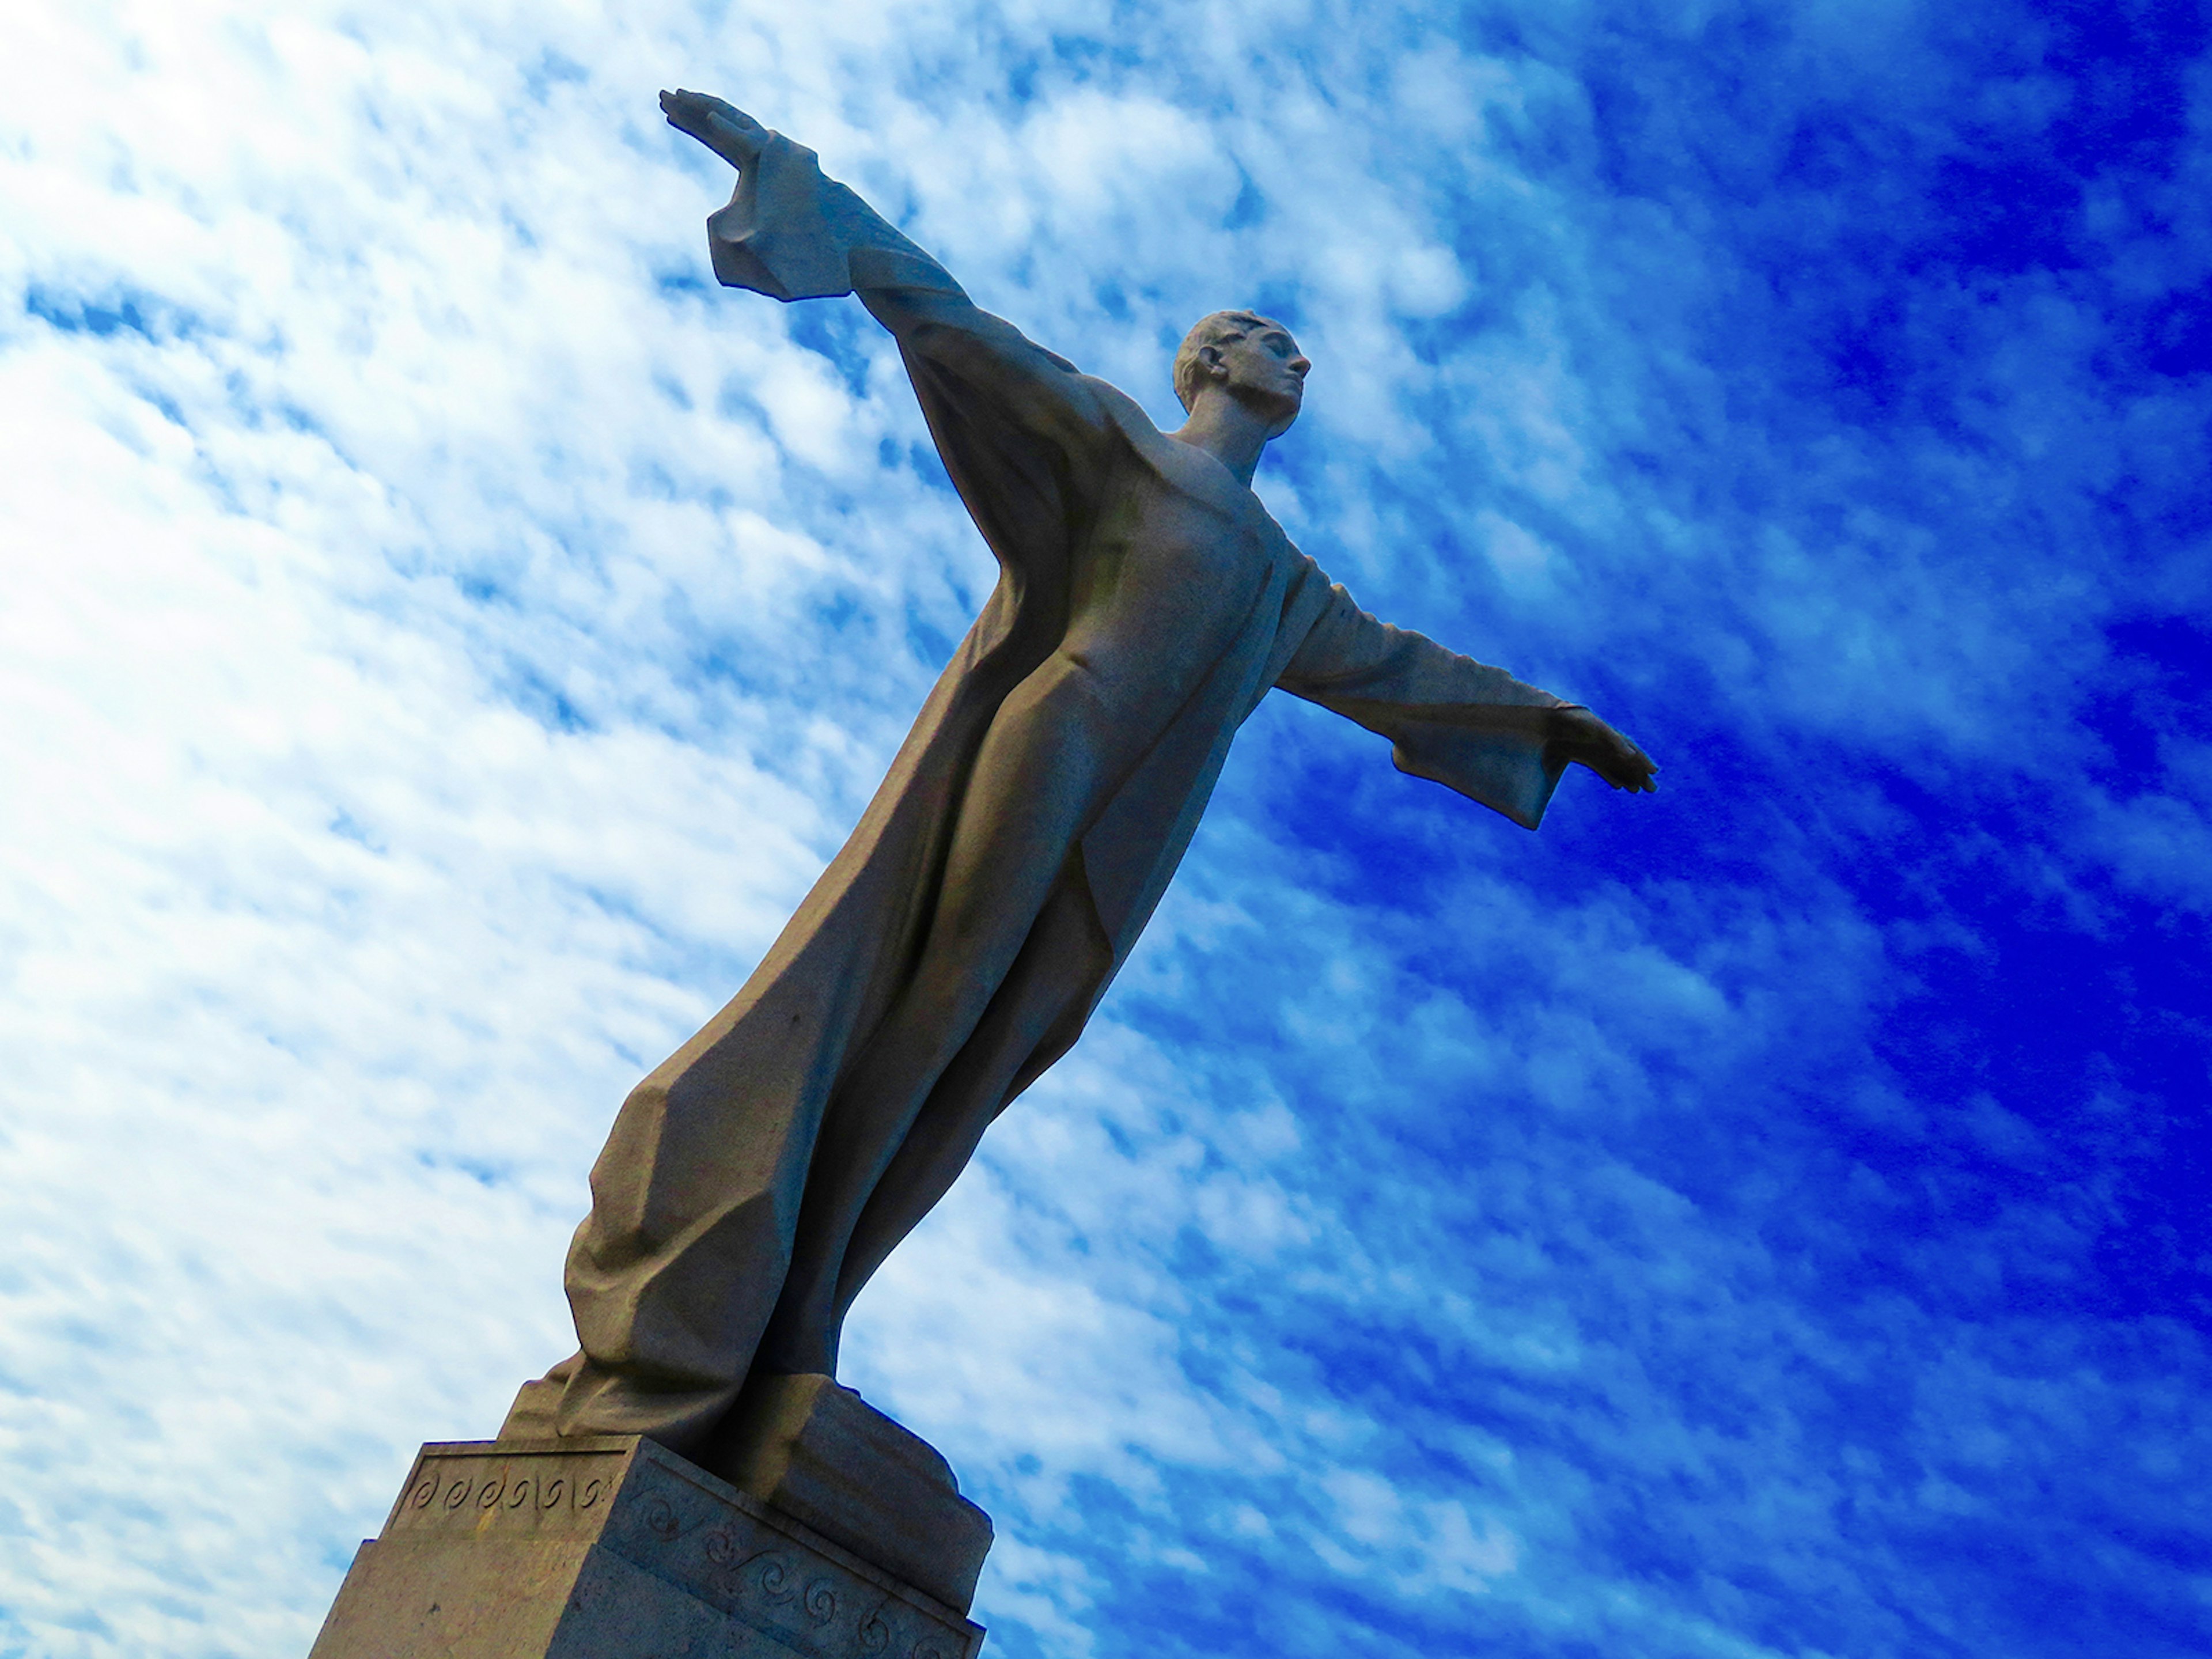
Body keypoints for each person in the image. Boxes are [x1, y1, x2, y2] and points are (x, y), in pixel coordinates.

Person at [502, 90, 1657, 1454]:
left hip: (1127, 835)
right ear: (1212, 364)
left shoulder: (1284, 584)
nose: (1301, 358)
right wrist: (803, 188)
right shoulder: (1118, 450)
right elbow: (956, 323)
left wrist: (1547, 720)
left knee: (992, 1058)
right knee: (933, 1008)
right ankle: (785, 1305)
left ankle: (823, 1299)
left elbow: (1397, 667)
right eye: (1274, 340)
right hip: (1054, 738)